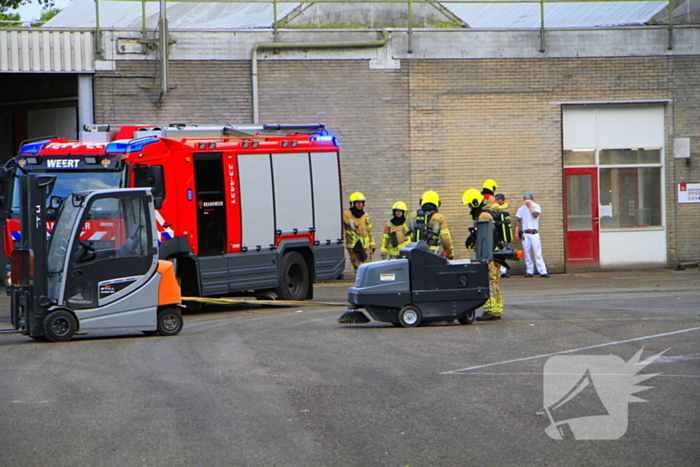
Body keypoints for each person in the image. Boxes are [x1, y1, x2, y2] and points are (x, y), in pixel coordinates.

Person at [462, 188, 503, 321]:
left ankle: (491, 311)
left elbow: (485, 236)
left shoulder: (484, 215)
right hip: (495, 253)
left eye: (469, 204)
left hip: (489, 255)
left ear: (474, 203)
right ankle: (497, 309)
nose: (469, 207)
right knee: (494, 281)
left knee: (490, 281)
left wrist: (473, 237)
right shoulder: (489, 212)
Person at [410, 190, 454, 260]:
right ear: (437, 203)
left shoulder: (412, 216)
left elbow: (403, 232)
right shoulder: (440, 217)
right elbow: (445, 238)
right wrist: (450, 253)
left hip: (415, 253)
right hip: (432, 254)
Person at [515, 193, 549, 278]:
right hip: (525, 234)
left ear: (532, 199)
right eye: (525, 199)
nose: (527, 200)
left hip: (534, 233)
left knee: (538, 253)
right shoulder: (521, 209)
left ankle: (542, 271)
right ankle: (529, 271)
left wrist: (530, 206)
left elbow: (535, 215)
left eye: (529, 198)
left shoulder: (536, 207)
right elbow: (518, 221)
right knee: (527, 253)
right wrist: (516, 232)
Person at [343, 192, 375, 271]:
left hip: (366, 247)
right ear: (352, 203)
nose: (359, 204)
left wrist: (372, 245)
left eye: (361, 203)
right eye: (357, 203)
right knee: (358, 268)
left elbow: (369, 232)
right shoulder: (346, 215)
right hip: (354, 247)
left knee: (368, 267)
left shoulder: (365, 215)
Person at [494, 193, 511, 278]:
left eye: (499, 199)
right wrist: (506, 205)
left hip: (503, 233)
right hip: (496, 233)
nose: (497, 201)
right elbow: (499, 208)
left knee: (503, 251)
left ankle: (503, 271)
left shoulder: (504, 211)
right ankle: (497, 271)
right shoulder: (495, 207)